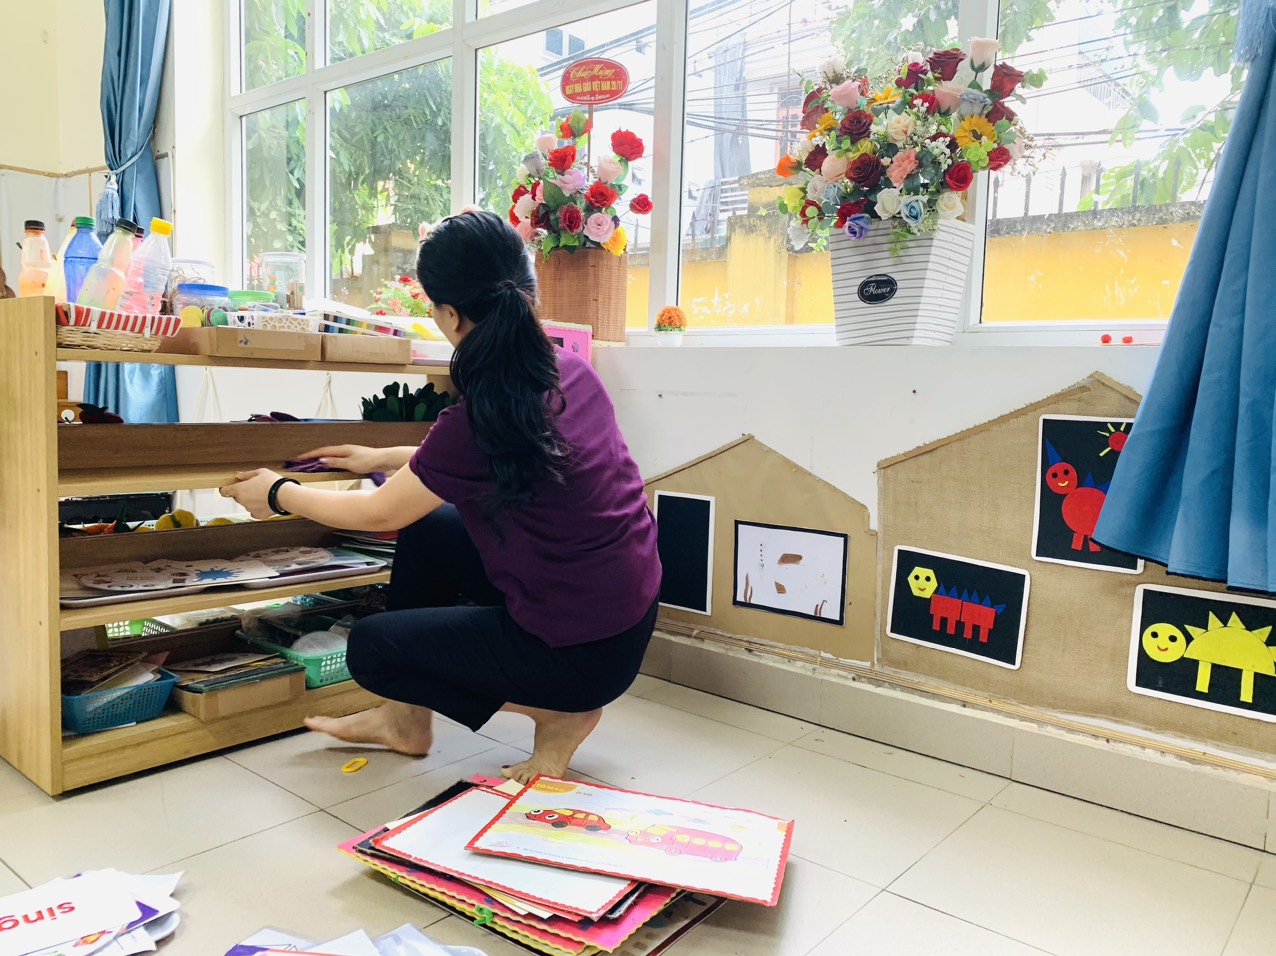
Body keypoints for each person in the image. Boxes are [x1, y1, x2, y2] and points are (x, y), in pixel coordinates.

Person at [221, 211, 661, 782]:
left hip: (580, 655)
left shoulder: (481, 416)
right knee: (430, 529)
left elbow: (377, 511)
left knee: (372, 651)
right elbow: (484, 460)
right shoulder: (566, 371)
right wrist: (384, 457)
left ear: (450, 314)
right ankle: (405, 722)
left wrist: (280, 493)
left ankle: (559, 711)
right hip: (624, 617)